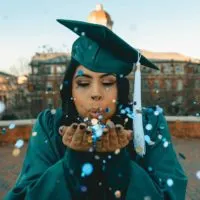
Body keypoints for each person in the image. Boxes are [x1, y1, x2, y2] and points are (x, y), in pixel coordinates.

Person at [4, 20, 187, 200]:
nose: (96, 94)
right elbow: (25, 195)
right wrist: (72, 163)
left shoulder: (147, 123)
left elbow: (171, 194)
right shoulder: (51, 126)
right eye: (83, 83)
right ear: (70, 89)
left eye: (108, 83)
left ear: (121, 89)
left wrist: (120, 166)